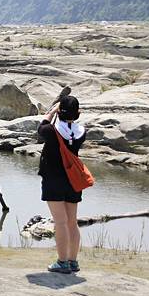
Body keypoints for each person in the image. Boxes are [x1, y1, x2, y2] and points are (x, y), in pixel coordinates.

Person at [37, 95, 86, 274]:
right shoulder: (81, 132)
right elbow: (70, 133)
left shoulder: (51, 130)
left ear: (60, 111)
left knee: (60, 222)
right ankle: (73, 261)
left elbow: (41, 127)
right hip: (74, 180)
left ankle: (62, 262)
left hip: (53, 180)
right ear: (78, 113)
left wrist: (51, 112)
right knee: (72, 222)